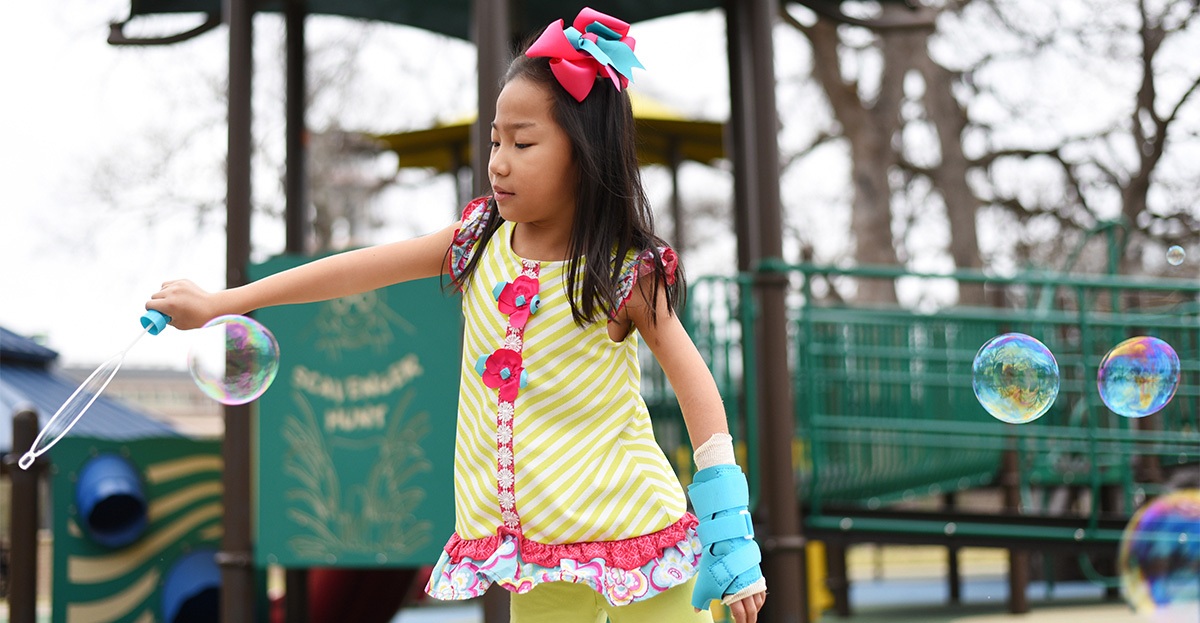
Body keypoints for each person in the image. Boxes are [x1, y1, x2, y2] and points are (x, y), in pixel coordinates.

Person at [148, 8, 767, 622]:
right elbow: (354, 269)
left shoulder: (623, 270)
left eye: (523, 143)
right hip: (535, 549)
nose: (499, 160)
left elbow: (697, 392)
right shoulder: (478, 242)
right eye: (496, 140)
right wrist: (222, 303)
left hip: (635, 531)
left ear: (584, 153)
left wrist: (729, 534)